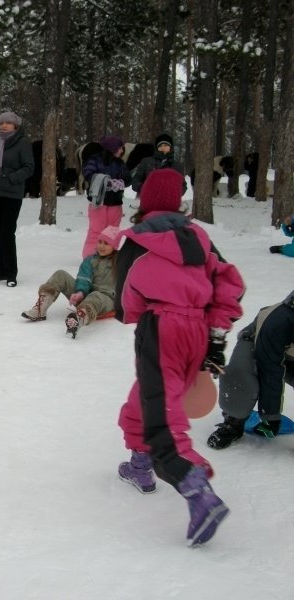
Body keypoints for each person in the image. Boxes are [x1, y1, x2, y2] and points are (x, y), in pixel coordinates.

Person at [114, 168, 244, 547]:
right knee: (148, 396)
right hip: (198, 330)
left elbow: (125, 302)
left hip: (161, 328)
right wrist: (216, 336)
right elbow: (229, 283)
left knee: (163, 414)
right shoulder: (198, 238)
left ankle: (195, 487)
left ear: (144, 201)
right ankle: (140, 464)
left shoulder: (138, 240)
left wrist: (146, 311)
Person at [207, 291, 294, 449]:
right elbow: (269, 370)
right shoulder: (280, 321)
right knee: (241, 377)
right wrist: (270, 415)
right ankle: (233, 422)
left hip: (289, 353)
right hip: (256, 346)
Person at [22, 225, 120, 339]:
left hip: (107, 300)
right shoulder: (90, 260)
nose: (101, 246)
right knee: (60, 274)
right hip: (86, 295)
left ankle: (79, 319)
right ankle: (40, 310)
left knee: (96, 295)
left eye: (106, 243)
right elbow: (84, 278)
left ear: (114, 246)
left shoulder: (121, 261)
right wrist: (80, 293)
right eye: (100, 242)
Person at [0, 111, 34, 287]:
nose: (4, 126)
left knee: (7, 233)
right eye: (1, 123)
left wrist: (10, 178)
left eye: (8, 123)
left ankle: (11, 272)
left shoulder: (23, 142)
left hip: (11, 194)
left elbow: (29, 167)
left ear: (15, 125)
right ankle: (0, 270)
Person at [80, 135, 131, 258]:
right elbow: (88, 174)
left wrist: (121, 182)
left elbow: (128, 178)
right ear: (112, 148)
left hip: (115, 203)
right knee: (96, 231)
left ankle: (110, 258)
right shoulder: (94, 160)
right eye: (120, 148)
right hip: (98, 203)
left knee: (113, 232)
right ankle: (90, 258)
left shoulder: (120, 163)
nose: (122, 151)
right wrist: (104, 181)